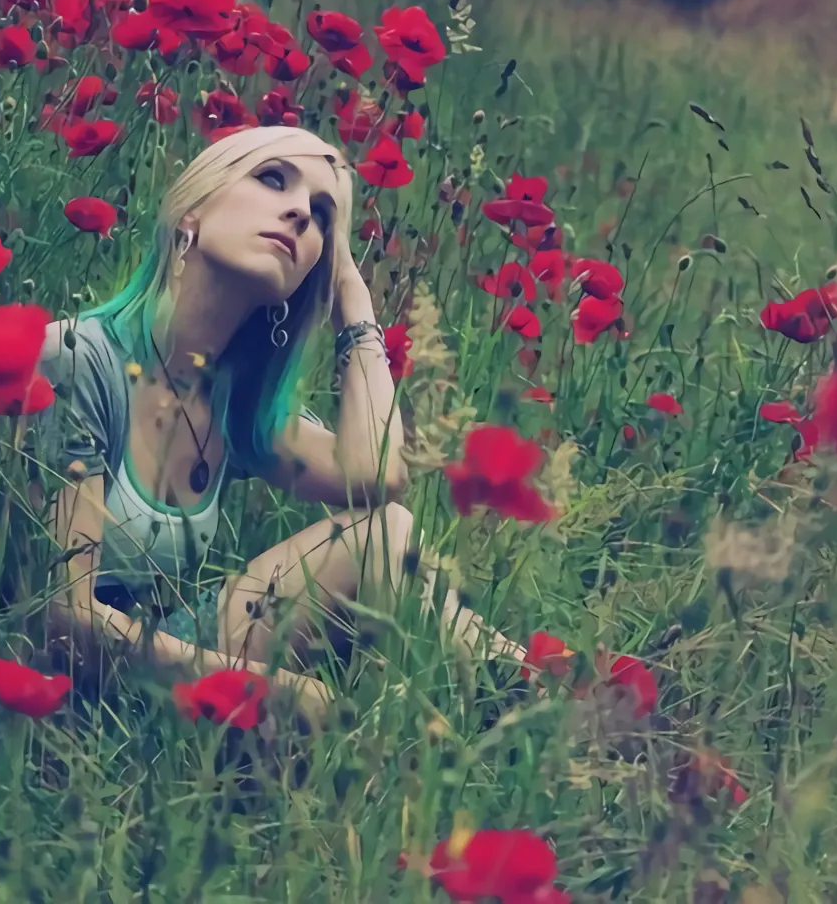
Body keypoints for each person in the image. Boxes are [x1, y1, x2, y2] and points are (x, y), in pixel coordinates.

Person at [37, 126, 523, 721]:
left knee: (385, 533)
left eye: (322, 216)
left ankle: (524, 695)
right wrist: (280, 692)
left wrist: (352, 297)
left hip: (167, 650)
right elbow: (62, 618)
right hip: (67, 684)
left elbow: (375, 477)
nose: (299, 213)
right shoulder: (77, 359)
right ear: (191, 210)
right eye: (272, 179)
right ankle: (529, 700)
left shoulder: (232, 401)